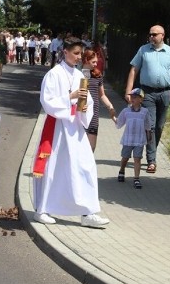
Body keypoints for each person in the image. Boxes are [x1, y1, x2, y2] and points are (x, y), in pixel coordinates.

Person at [32, 37, 109, 228]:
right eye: (75, 53)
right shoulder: (54, 74)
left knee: (86, 166)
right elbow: (47, 100)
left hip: (75, 128)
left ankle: (88, 212)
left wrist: (83, 107)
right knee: (53, 168)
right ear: (65, 52)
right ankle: (42, 209)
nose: (78, 57)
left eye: (80, 54)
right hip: (58, 128)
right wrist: (70, 97)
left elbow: (87, 102)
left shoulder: (79, 76)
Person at [124, 24, 170, 175]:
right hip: (147, 92)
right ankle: (152, 160)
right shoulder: (143, 50)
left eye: (154, 34)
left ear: (162, 35)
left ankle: (152, 150)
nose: (151, 37)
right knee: (150, 126)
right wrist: (129, 91)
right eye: (150, 34)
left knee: (159, 126)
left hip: (165, 93)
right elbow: (134, 69)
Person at [115, 88, 152, 189]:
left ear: (141, 99)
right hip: (128, 139)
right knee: (125, 158)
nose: (132, 99)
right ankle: (122, 170)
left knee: (137, 159)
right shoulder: (126, 111)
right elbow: (119, 123)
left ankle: (136, 178)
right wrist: (113, 117)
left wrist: (149, 136)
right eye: (131, 96)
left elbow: (148, 125)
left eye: (135, 97)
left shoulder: (145, 112)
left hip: (139, 140)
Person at [81, 49, 116, 153]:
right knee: (80, 147)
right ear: (86, 60)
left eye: (96, 61)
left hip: (93, 113)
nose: (96, 64)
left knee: (91, 147)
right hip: (80, 112)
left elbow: (102, 95)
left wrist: (110, 107)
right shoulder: (77, 74)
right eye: (94, 62)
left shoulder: (97, 75)